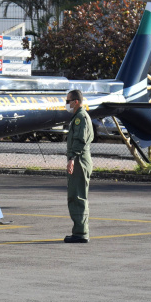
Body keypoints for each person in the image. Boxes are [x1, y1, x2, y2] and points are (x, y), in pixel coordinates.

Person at [64, 89, 94, 244]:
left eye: (68, 101)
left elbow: (79, 140)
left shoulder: (80, 118)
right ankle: (79, 230)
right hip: (80, 159)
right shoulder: (79, 116)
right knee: (76, 195)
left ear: (76, 102)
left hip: (80, 160)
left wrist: (72, 158)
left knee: (78, 196)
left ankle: (81, 233)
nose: (66, 104)